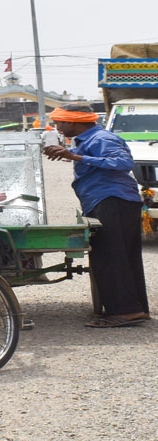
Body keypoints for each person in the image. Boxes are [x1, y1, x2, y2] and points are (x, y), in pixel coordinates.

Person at [44, 104, 150, 328]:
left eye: (60, 123)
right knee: (121, 256)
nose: (58, 128)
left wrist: (77, 157)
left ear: (72, 121)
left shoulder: (100, 139)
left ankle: (125, 311)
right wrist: (74, 155)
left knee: (110, 256)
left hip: (112, 200)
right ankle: (133, 309)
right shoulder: (88, 140)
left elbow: (124, 163)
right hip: (109, 200)